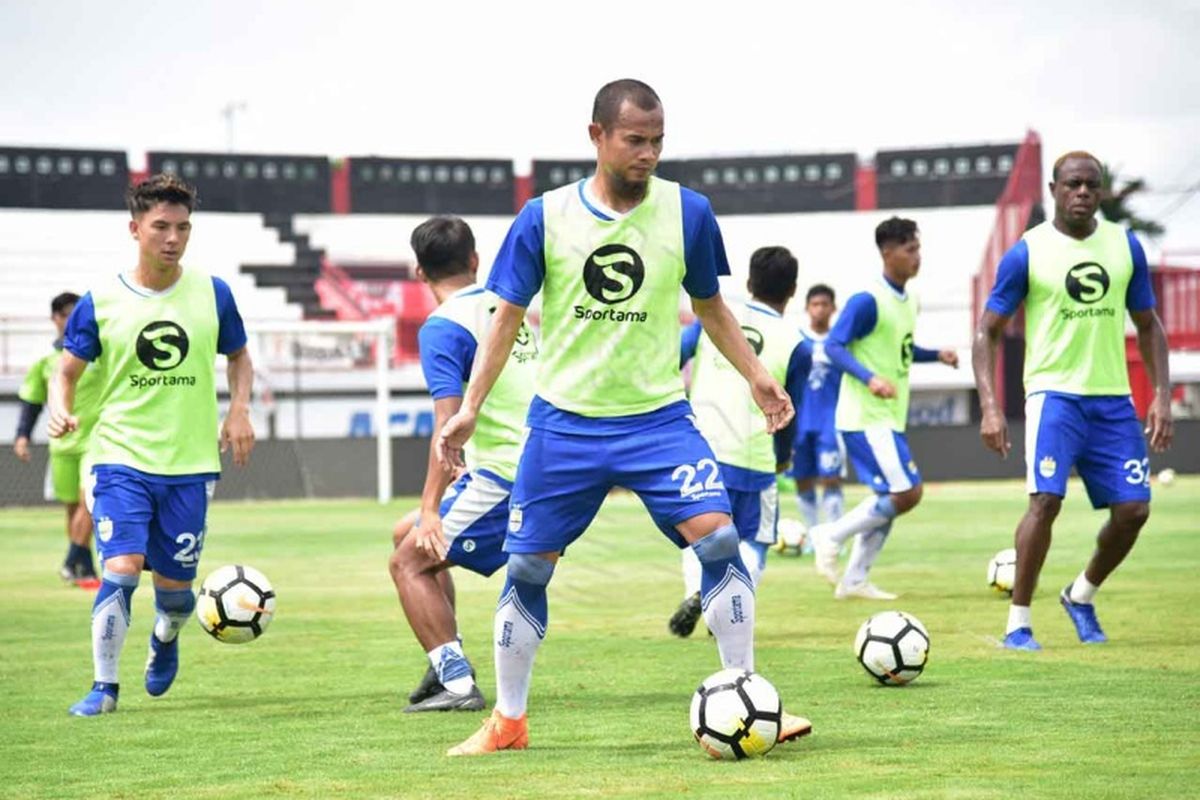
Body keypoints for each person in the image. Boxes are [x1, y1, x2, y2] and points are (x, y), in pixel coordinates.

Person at [436, 79, 809, 755]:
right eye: (635, 140)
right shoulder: (543, 218)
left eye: (658, 141)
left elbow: (713, 306)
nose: (648, 154)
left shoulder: (690, 213)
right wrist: (469, 409)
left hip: (659, 422)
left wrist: (759, 377)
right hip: (563, 426)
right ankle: (508, 722)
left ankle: (750, 696)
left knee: (721, 542)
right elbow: (505, 318)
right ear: (597, 136)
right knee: (528, 571)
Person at [48, 174, 255, 715]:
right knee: (121, 566)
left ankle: (166, 634)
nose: (173, 238)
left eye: (182, 227)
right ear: (135, 228)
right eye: (161, 227)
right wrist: (59, 405)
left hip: (189, 465)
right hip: (118, 457)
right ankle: (104, 686)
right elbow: (65, 371)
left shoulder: (214, 294)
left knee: (175, 592)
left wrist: (239, 409)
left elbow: (239, 355)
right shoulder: (102, 300)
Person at [972, 151, 1172, 651]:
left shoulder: (1126, 247)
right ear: (1054, 189)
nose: (1082, 192)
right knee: (1045, 502)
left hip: (1112, 401)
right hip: (1053, 396)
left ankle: (1080, 595)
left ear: (1100, 191)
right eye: (1072, 184)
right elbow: (987, 332)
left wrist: (1163, 396)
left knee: (1134, 511)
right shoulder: (1027, 251)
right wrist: (991, 405)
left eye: (1090, 185)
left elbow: (1149, 326)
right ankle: (1018, 622)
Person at [387, 215, 537, 712]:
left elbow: (448, 426)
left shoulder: (443, 327)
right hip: (531, 462)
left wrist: (432, 506)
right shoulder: (508, 308)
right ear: (474, 261)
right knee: (402, 532)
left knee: (407, 561)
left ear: (418, 272)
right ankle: (445, 659)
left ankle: (456, 683)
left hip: (504, 476)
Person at [809, 217, 959, 599]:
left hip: (887, 417)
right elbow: (834, 346)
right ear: (887, 252)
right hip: (864, 417)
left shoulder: (909, 300)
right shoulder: (867, 299)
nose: (917, 257)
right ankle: (832, 534)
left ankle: (855, 579)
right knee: (907, 493)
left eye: (918, 248)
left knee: (891, 498)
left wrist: (935, 355)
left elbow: (901, 350)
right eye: (910, 249)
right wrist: (869, 378)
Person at [669, 245, 809, 637]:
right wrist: (783, 458)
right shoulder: (799, 344)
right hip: (755, 457)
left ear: (748, 282)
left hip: (700, 449)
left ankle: (696, 590)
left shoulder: (713, 320)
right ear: (793, 290)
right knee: (756, 540)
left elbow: (672, 359)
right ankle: (728, 610)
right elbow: (789, 413)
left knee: (696, 530)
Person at [14, 292, 103, 589]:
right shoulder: (44, 361)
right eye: (65, 314)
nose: (71, 319)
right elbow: (32, 401)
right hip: (61, 444)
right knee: (71, 508)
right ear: (55, 318)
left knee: (89, 502)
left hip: (96, 440)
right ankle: (83, 566)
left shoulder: (98, 353)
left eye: (76, 313)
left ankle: (70, 560)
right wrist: (23, 436)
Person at [790, 284, 846, 531]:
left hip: (830, 422)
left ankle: (833, 535)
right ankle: (813, 534)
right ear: (807, 308)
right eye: (815, 304)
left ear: (833, 308)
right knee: (802, 479)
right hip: (800, 422)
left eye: (825, 304)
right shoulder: (798, 341)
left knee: (831, 478)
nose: (820, 309)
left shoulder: (840, 343)